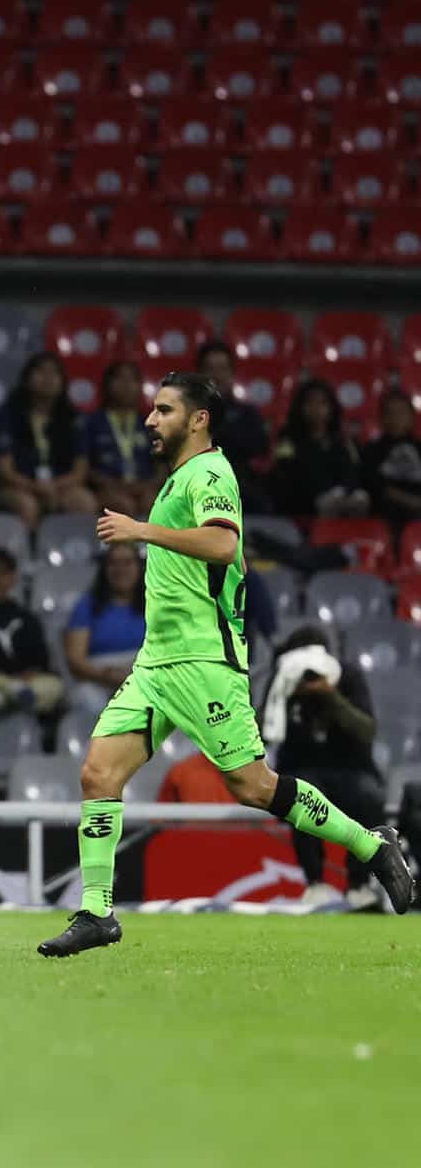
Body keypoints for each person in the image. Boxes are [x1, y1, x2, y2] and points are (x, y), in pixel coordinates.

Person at [37, 372, 412, 958]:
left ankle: (370, 844)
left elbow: (223, 544)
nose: (150, 421)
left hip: (207, 661)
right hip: (157, 663)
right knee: (98, 773)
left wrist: (140, 530)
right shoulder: (175, 481)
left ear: (198, 419)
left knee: (252, 786)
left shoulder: (210, 472)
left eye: (163, 411)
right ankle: (96, 912)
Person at [262, 625, 386, 909]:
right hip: (304, 767)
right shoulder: (283, 680)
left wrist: (331, 696)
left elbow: (366, 730)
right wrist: (283, 693)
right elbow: (261, 730)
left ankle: (359, 884)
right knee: (301, 793)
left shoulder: (348, 677)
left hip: (351, 768)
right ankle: (315, 883)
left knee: (368, 796)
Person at [0, 353, 96, 530]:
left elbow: (80, 470)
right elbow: (5, 470)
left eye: (54, 373)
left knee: (84, 502)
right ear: (27, 379)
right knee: (27, 505)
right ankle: (30, 554)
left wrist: (53, 487)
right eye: (41, 372)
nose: (48, 378)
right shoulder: (8, 416)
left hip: (60, 485)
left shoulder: (73, 419)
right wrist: (35, 487)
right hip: (20, 485)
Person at [0, 546, 64, 718]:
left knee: (55, 686)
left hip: (20, 682)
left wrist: (32, 672)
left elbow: (40, 660)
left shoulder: (25, 617)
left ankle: (10, 694)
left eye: (3, 573)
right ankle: (12, 693)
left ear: (13, 578)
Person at [271, 378, 370, 517]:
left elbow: (353, 472)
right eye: (310, 402)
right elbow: (285, 475)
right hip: (304, 506)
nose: (316, 408)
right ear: (300, 407)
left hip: (342, 499)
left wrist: (342, 492)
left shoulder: (342, 440)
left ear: (331, 407)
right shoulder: (287, 440)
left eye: (322, 403)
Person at [64, 544, 147, 697]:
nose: (120, 569)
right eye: (113, 563)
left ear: (139, 567)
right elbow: (76, 660)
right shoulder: (87, 605)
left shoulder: (154, 603)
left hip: (145, 675)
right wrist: (109, 676)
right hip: (100, 678)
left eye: (127, 562)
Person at [195, 341, 272, 507]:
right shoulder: (186, 414)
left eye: (223, 369)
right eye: (210, 369)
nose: (217, 376)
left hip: (239, 486)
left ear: (231, 373)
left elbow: (260, 446)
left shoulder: (247, 413)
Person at [82, 360, 161, 517]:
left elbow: (162, 468)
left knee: (155, 503)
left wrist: (146, 486)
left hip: (143, 487)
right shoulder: (91, 423)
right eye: (120, 379)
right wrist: (111, 485)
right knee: (124, 505)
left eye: (132, 380)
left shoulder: (152, 424)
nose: (126, 385)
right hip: (107, 489)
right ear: (107, 385)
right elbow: (84, 468)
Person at [359, 388, 421, 526]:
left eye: (401, 412)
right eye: (389, 413)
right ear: (381, 418)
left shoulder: (419, 447)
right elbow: (373, 485)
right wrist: (410, 501)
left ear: (411, 416)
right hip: (384, 517)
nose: (395, 418)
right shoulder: (371, 450)